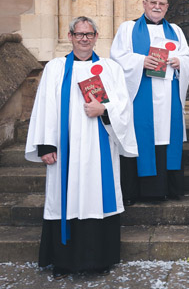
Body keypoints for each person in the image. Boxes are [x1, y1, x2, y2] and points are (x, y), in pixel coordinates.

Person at [25, 16, 138, 279]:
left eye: (89, 34)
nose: (84, 39)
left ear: (97, 37)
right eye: (79, 34)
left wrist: (104, 110)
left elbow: (124, 106)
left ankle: (99, 260)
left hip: (99, 148)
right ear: (70, 36)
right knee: (64, 199)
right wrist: (45, 145)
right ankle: (63, 262)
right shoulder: (55, 68)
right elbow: (44, 107)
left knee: (96, 198)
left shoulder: (110, 68)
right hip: (64, 151)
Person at [110, 0, 189, 205]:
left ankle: (169, 189)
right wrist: (140, 62)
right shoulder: (128, 29)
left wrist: (179, 62)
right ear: (144, 3)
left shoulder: (175, 30)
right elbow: (117, 57)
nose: (157, 7)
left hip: (168, 96)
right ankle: (135, 191)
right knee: (140, 136)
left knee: (167, 137)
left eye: (162, 4)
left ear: (167, 7)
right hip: (141, 93)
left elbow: (187, 56)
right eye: (153, 2)